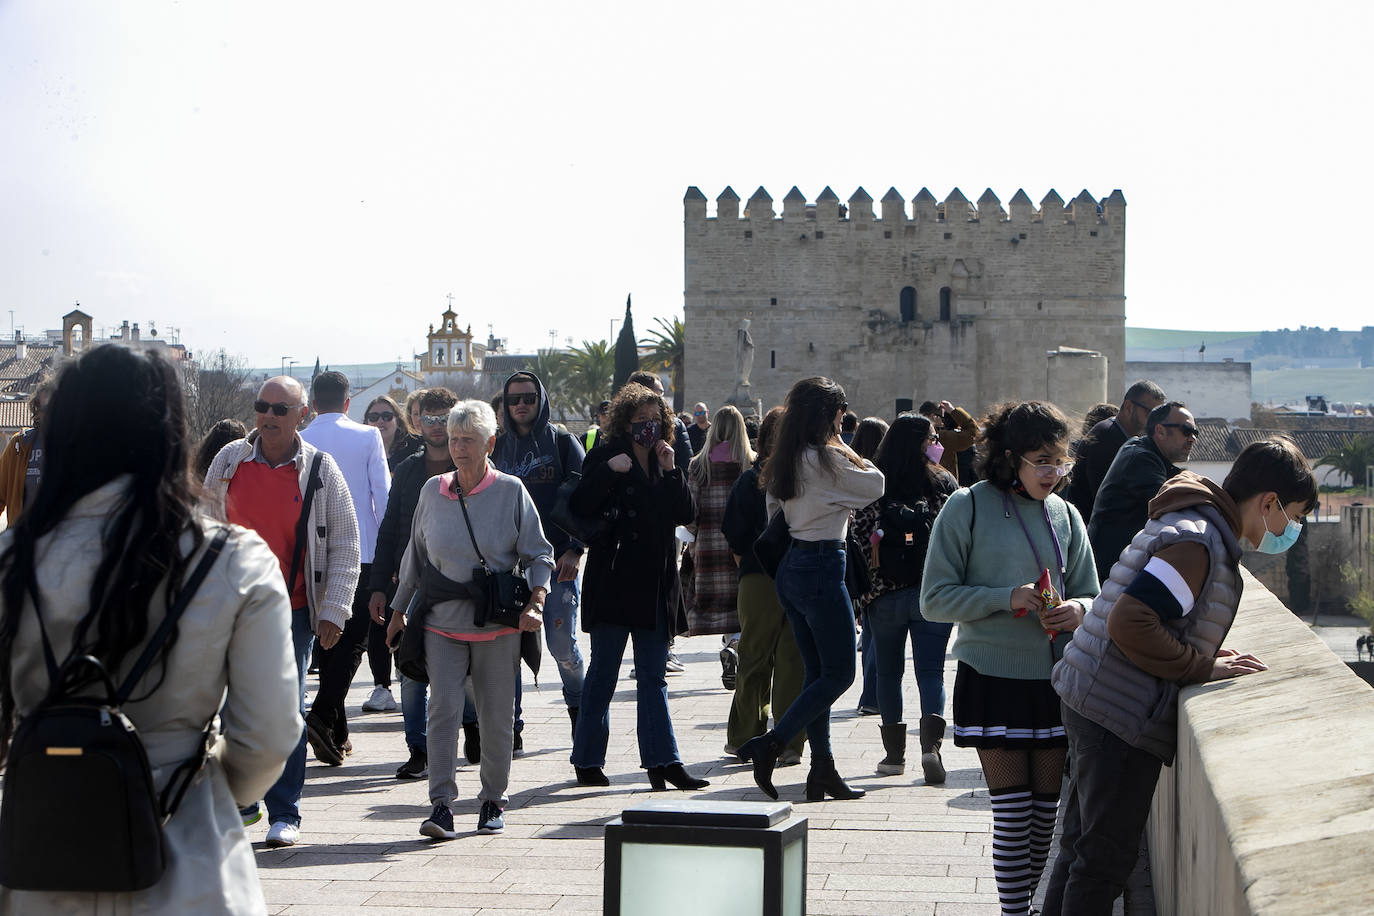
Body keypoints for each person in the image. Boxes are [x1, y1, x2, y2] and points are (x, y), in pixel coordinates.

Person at [0, 345, 301, 912]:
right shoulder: (232, 559)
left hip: (41, 855)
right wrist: (206, 792)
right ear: (171, 434)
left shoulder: (12, 559)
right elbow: (268, 733)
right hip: (190, 855)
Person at [1044, 438, 1317, 914]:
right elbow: (1130, 621)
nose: (1289, 529)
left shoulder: (1194, 524)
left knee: (1080, 851)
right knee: (1103, 862)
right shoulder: (1198, 542)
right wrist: (1200, 666)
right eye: (1292, 516)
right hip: (1118, 712)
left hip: (1094, 695)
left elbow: (1159, 614)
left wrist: (1197, 647)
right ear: (1268, 502)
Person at [920, 400, 1099, 916]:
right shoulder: (967, 506)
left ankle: (1029, 908)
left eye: (1060, 461)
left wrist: (1078, 609)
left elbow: (1092, 590)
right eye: (1042, 460)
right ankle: (1013, 913)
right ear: (1007, 457)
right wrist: (1008, 597)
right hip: (991, 678)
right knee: (1013, 812)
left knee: (1046, 814)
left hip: (1054, 680)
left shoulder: (1066, 514)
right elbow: (934, 599)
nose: (1054, 472)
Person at [203, 375, 361, 848]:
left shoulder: (320, 469)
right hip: (231, 606)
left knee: (287, 710)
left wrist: (334, 608)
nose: (268, 415)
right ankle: (243, 798)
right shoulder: (229, 460)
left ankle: (285, 811)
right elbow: (205, 529)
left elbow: (347, 543)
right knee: (231, 705)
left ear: (302, 416)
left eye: (279, 409)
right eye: (262, 406)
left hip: (291, 609)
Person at [386, 400, 553, 838]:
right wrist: (398, 610)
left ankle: (493, 800)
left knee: (497, 716)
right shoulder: (432, 491)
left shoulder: (512, 490)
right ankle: (441, 804)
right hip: (441, 621)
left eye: (468, 440)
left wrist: (536, 601)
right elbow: (415, 558)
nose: (458, 448)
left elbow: (539, 553)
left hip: (497, 624)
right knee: (441, 710)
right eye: (453, 439)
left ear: (489, 443)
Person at [738, 377, 885, 802]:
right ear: (831, 415)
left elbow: (772, 513)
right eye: (841, 414)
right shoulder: (827, 460)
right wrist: (845, 446)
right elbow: (876, 485)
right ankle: (772, 742)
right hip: (822, 564)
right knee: (840, 673)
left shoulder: (785, 457)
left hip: (791, 566)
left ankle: (823, 768)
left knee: (816, 674)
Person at [568, 382, 708, 791]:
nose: (646, 428)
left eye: (653, 420)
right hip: (614, 579)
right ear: (623, 424)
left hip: (656, 583)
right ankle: (587, 758)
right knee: (604, 673)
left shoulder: (666, 459)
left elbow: (686, 513)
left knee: (653, 676)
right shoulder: (605, 456)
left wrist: (671, 472)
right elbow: (579, 506)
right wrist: (609, 472)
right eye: (638, 421)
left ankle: (663, 762)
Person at [851, 414, 958, 783]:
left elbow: (860, 536)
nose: (936, 443)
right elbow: (956, 539)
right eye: (932, 437)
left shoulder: (874, 482)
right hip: (933, 593)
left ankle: (893, 756)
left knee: (889, 673)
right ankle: (931, 749)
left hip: (884, 593)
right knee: (931, 672)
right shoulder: (942, 482)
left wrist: (865, 591)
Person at [370, 388, 463, 779]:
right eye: (430, 418)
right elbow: (390, 529)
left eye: (445, 418)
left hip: (461, 586)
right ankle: (418, 749)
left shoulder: (472, 464)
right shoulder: (407, 470)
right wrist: (377, 586)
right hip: (407, 583)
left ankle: (471, 728)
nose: (437, 426)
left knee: (465, 674)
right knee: (409, 670)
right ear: (417, 420)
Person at [300, 371, 392, 755]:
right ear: (348, 402)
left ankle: (336, 733)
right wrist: (392, 552)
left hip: (312, 554)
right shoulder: (368, 435)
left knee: (325, 641)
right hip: (363, 551)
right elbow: (383, 496)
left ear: (313, 403)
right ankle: (322, 715)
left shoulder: (300, 439)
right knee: (352, 641)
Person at [492, 371, 587, 739]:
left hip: (558, 563)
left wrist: (576, 549)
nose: (520, 405)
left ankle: (581, 710)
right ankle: (510, 726)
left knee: (562, 645)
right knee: (508, 650)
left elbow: (585, 498)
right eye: (513, 399)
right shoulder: (496, 446)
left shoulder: (563, 443)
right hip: (508, 567)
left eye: (528, 398)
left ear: (541, 399)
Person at [721, 406, 806, 767]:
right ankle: (787, 741)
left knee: (755, 656)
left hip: (757, 578)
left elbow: (735, 535)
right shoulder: (806, 478)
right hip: (797, 574)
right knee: (792, 658)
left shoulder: (750, 479)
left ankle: (746, 737)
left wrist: (750, 564)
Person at [1087, 401, 1197, 582]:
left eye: (1195, 432)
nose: (1193, 438)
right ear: (1160, 431)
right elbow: (1168, 504)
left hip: (1120, 569)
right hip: (1110, 574)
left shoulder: (1147, 453)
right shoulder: (1140, 458)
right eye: (1186, 430)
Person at [685, 405, 755, 688]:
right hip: (745, 547)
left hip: (709, 546)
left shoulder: (698, 465)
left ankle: (730, 644)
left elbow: (691, 514)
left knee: (721, 606)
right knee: (744, 605)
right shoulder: (751, 463)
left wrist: (692, 540)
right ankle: (736, 645)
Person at [1064, 380, 1166, 523]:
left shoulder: (1122, 436)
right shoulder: (1106, 437)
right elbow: (1108, 498)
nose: (1155, 422)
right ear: (1129, 407)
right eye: (1151, 413)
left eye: (1159, 416)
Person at [849, 416, 889, 715]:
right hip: (883, 563)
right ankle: (874, 696)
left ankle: (869, 694)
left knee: (870, 629)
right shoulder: (882, 477)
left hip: (858, 561)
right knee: (877, 633)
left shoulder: (851, 473)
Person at [0, 378, 53, 525]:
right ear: (37, 411)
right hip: (23, 542)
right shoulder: (19, 445)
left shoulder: (78, 448)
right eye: (46, 408)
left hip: (62, 544)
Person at [919, 399, 978, 478]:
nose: (943, 423)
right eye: (942, 418)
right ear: (933, 416)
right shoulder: (942, 438)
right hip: (943, 485)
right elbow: (973, 432)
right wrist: (953, 411)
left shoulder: (908, 435)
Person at [366, 394, 423, 471]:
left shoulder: (417, 446)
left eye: (386, 416)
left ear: (398, 420)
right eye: (373, 417)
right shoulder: (359, 451)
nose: (380, 421)